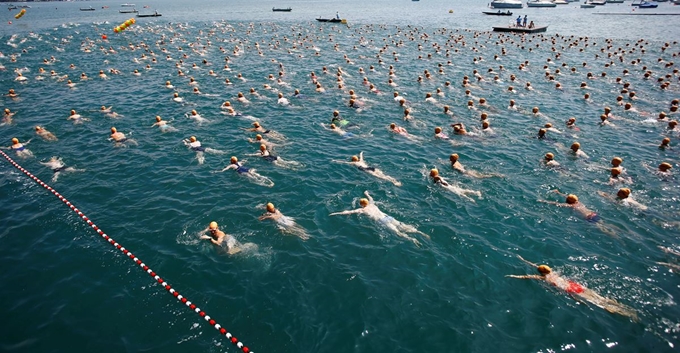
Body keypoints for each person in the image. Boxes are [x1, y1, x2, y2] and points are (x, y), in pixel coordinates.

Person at [506, 255, 638, 321]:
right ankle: (619, 305)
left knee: (598, 303)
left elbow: (527, 276)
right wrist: (523, 259)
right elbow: (535, 265)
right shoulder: (552, 273)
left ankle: (623, 312)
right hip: (576, 286)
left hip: (570, 290)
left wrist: (514, 275)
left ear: (541, 273)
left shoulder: (544, 278)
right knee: (599, 297)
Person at [329, 191, 429, 247]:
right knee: (402, 226)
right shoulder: (372, 205)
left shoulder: (362, 210)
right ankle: (420, 233)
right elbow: (371, 199)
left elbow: (348, 212)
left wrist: (336, 213)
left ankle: (412, 239)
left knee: (398, 233)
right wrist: (367, 194)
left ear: (361, 205)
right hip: (388, 217)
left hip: (382, 222)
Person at [332, 152, 402, 186]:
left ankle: (393, 182)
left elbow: (345, 162)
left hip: (366, 169)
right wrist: (361, 153)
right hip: (371, 168)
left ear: (353, 160)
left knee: (380, 177)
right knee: (383, 174)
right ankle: (393, 179)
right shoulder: (360, 161)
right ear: (358, 159)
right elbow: (361, 156)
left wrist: (336, 161)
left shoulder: (353, 163)